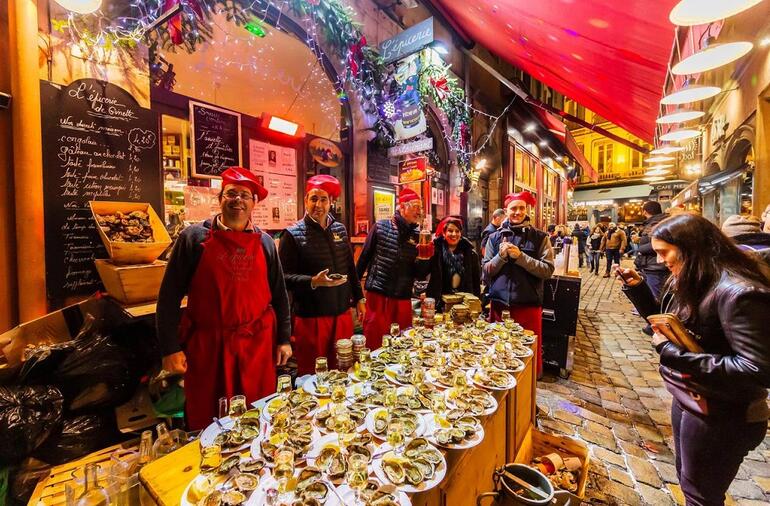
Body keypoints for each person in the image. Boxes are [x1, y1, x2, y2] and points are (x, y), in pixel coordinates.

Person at [617, 213, 770, 506]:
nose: (660, 261)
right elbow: (672, 324)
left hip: (723, 412)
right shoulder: (696, 279)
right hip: (691, 396)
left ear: (690, 247)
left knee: (701, 494)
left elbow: (757, 369)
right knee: (689, 480)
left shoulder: (740, 292)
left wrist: (673, 354)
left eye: (664, 252)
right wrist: (638, 289)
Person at [156, 167, 292, 430]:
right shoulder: (193, 239)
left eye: (245, 195)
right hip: (209, 347)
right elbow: (169, 296)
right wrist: (169, 348)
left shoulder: (265, 243)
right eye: (231, 193)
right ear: (220, 199)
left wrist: (284, 339)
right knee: (208, 415)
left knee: (257, 411)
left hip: (256, 345)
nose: (237, 200)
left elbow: (280, 295)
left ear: (254, 203)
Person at [278, 175, 365, 375]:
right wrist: (313, 281)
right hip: (311, 320)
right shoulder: (291, 234)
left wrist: (359, 297)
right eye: (314, 199)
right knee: (314, 375)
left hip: (342, 314)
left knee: (345, 370)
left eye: (323, 199)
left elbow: (350, 269)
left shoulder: (340, 230)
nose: (318, 204)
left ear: (331, 202)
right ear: (306, 200)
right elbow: (283, 278)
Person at [483, 191, 554, 375]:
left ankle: (526, 398)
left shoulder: (540, 237)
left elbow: (547, 270)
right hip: (499, 307)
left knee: (526, 357)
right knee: (498, 354)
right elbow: (487, 269)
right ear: (506, 211)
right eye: (513, 208)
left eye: (522, 208)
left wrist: (520, 257)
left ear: (527, 210)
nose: (518, 212)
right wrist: (501, 257)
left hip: (527, 306)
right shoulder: (494, 238)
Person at [356, 188, 433, 349]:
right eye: (415, 206)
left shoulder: (418, 235)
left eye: (420, 207)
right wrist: (355, 296)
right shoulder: (380, 227)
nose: (418, 211)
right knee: (374, 341)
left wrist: (425, 258)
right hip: (378, 295)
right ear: (402, 207)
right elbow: (363, 259)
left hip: (403, 297)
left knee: (402, 343)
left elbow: (419, 274)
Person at [426, 216, 481, 311]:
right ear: (444, 233)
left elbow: (476, 281)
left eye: (457, 231)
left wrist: (476, 302)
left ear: (461, 233)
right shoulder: (435, 251)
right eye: (450, 231)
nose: (454, 234)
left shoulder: (471, 254)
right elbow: (423, 272)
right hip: (440, 302)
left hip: (464, 303)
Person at [634, 201, 670, 298]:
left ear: (645, 212)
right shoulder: (656, 222)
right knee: (650, 293)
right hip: (650, 264)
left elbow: (660, 243)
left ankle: (653, 311)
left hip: (655, 267)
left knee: (655, 296)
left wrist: (640, 248)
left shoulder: (657, 223)